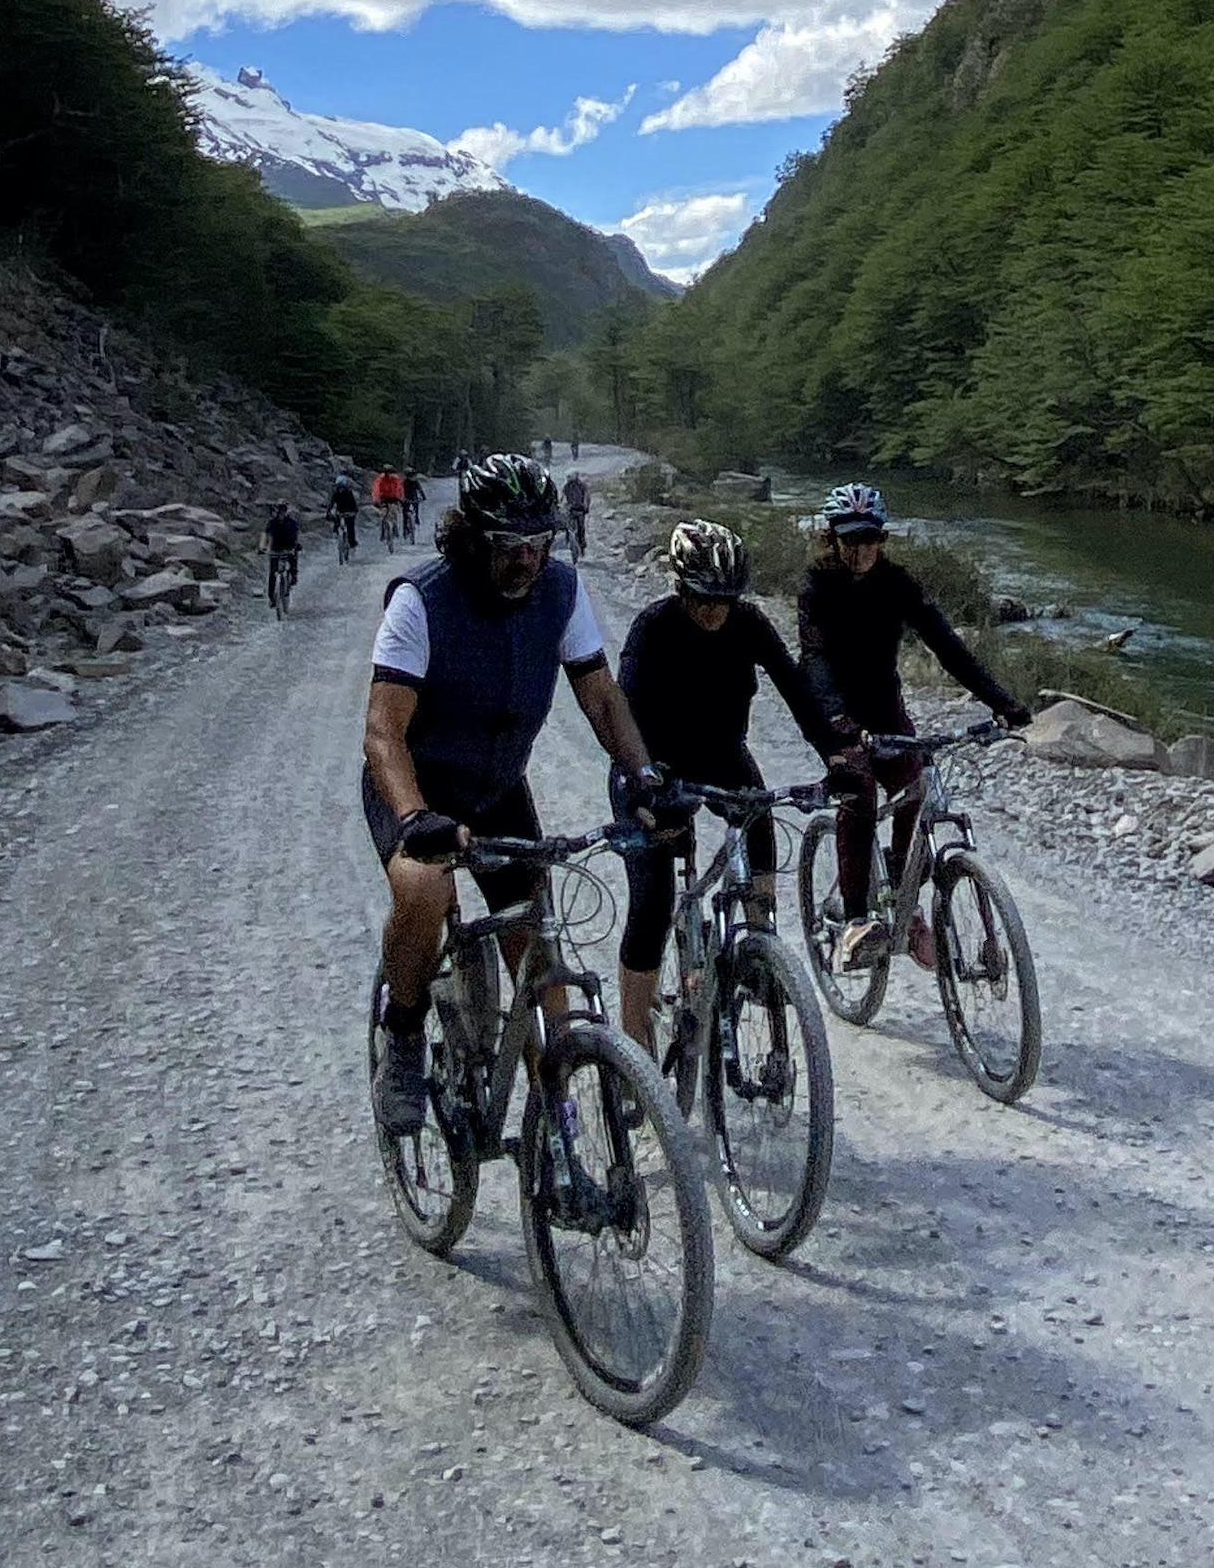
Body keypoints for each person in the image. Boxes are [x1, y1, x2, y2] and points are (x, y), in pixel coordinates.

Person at [363, 453, 663, 1140]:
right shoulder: (421, 599)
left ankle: (554, 1115)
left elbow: (601, 697)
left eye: (538, 542)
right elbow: (383, 732)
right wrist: (414, 816)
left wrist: (645, 777)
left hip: (496, 785)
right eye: (507, 544)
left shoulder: (560, 589)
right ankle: (402, 1031)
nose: (526, 559)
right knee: (425, 891)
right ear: (471, 537)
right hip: (417, 782)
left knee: (539, 950)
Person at [612, 520, 854, 1058]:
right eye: (702, 599)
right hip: (651, 767)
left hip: (722, 755)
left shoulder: (749, 622)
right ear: (680, 588)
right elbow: (623, 711)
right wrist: (645, 791)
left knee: (759, 818)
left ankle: (759, 952)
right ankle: (633, 1051)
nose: (713, 611)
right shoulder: (652, 628)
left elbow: (796, 688)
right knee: (653, 903)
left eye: (724, 599)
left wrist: (834, 755)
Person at [798, 483, 1032, 970]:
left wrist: (1002, 702)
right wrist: (839, 723)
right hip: (833, 710)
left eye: (870, 538)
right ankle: (856, 921)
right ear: (832, 538)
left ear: (882, 539)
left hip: (884, 706)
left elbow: (946, 645)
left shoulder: (896, 582)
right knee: (859, 791)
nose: (861, 549)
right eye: (850, 538)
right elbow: (815, 660)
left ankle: (903, 891)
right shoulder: (818, 585)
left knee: (916, 786)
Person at [259, 500, 300, 610]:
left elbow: (295, 536)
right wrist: (262, 547)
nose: (281, 513)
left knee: (293, 560)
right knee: (272, 573)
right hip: (275, 550)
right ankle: (272, 598)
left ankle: (293, 576)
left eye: (283, 511)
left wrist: (296, 545)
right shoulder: (272, 523)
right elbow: (265, 534)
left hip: (288, 548)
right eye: (279, 511)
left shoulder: (291, 523)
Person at [372, 467, 407, 543]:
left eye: (390, 472)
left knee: (394, 513)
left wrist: (402, 498)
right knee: (383, 515)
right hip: (383, 498)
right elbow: (376, 490)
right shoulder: (380, 479)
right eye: (388, 472)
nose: (390, 474)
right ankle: (383, 532)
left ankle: (395, 528)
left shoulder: (396, 479)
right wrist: (376, 500)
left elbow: (400, 488)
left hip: (394, 498)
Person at [329, 474, 361, 554]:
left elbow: (353, 504)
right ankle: (336, 533)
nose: (341, 489)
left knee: (350, 527)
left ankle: (352, 542)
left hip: (349, 512)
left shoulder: (348, 493)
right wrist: (329, 513)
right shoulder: (336, 494)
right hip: (340, 512)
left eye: (342, 487)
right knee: (337, 522)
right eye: (339, 487)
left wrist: (355, 511)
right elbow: (331, 504)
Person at [562, 473, 591, 558]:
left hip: (578, 510)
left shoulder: (580, 485)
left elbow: (586, 496)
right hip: (573, 510)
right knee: (575, 529)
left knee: (579, 529)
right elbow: (562, 497)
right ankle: (575, 547)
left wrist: (586, 506)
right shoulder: (568, 486)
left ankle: (580, 547)